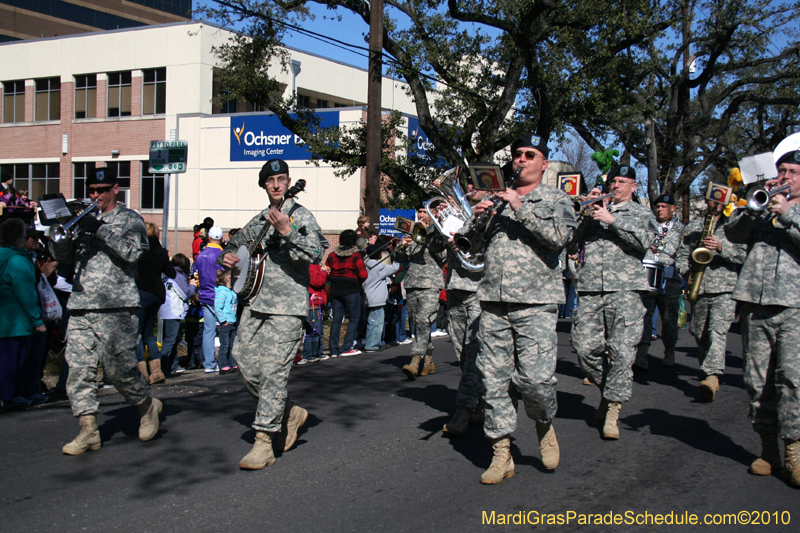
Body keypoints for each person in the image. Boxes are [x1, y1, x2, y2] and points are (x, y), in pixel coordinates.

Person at [458, 136, 576, 484]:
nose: (520, 160)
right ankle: (501, 453)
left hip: (536, 302)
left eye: (529, 155)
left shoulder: (557, 198)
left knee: (536, 381)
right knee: (493, 382)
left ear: (543, 164)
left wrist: (519, 207)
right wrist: (476, 217)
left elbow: (559, 238)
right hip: (493, 301)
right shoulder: (494, 200)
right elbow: (468, 245)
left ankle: (544, 425)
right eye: (517, 156)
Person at [220, 158, 324, 470]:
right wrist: (227, 258)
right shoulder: (257, 221)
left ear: (288, 181)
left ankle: (264, 440)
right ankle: (289, 412)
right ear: (264, 185)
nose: (276, 185)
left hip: (288, 308)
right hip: (254, 303)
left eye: (281, 179)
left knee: (274, 373)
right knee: (245, 362)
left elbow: (318, 252)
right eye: (270, 180)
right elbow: (236, 249)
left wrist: (287, 231)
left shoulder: (300, 215)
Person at [49, 167, 161, 455]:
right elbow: (63, 257)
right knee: (79, 370)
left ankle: (147, 405)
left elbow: (133, 253)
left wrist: (98, 229)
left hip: (117, 305)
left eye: (102, 189)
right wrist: (59, 235)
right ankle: (88, 430)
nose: (96, 195)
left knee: (119, 370)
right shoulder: (83, 220)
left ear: (115, 189)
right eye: (92, 190)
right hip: (82, 303)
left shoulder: (129, 219)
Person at [724, 146, 800, 486]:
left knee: (793, 381)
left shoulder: (788, 213)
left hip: (795, 306)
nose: (784, 177)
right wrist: (753, 210)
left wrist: (787, 215)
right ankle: (767, 448)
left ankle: (794, 451)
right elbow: (733, 234)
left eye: (793, 173)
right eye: (782, 171)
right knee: (757, 381)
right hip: (756, 304)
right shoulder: (765, 205)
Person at [567, 165, 658, 441]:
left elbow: (647, 242)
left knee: (621, 352)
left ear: (634, 186)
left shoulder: (642, 213)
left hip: (626, 290)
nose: (615, 186)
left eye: (622, 182)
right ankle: (609, 391)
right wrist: (584, 212)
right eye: (613, 181)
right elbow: (569, 243)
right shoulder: (594, 209)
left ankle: (612, 411)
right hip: (591, 287)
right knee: (583, 348)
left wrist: (613, 220)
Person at [675, 198, 745, 401]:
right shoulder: (695, 226)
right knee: (699, 332)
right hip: (699, 286)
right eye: (712, 199)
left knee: (717, 330)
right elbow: (681, 254)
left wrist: (722, 248)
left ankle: (712, 375)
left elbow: (743, 256)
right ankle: (709, 371)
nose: (715, 203)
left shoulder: (734, 225)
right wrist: (686, 271)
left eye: (720, 200)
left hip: (724, 288)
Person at [441, 180, 488, 438]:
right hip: (455, 286)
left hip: (480, 287)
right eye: (467, 182)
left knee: (474, 350)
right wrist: (441, 232)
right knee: (461, 350)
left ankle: (464, 408)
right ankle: (480, 399)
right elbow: (436, 250)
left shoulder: (492, 212)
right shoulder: (454, 212)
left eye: (476, 183)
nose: (470, 186)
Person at [634, 194, 686, 370]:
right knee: (645, 315)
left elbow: (683, 253)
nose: (660, 209)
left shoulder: (680, 229)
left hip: (670, 278)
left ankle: (669, 350)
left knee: (669, 318)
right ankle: (642, 353)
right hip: (648, 274)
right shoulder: (649, 224)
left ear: (673, 208)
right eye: (658, 206)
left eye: (664, 206)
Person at [0, 218, 46, 409]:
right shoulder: (18, 260)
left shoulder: (4, 255)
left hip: (5, 319)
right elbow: (26, 293)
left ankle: (7, 395)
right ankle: (10, 396)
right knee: (14, 361)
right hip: (16, 321)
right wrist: (37, 319)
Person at [400, 207, 446, 380]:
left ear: (433, 214)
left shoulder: (438, 232)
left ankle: (415, 359)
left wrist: (426, 236)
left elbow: (442, 254)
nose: (421, 215)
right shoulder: (412, 232)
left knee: (423, 321)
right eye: (419, 212)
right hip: (412, 283)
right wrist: (402, 247)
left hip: (430, 284)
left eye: (425, 212)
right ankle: (428, 361)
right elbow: (400, 260)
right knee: (418, 324)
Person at [135, 223, 176, 384]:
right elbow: (171, 272)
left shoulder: (139, 251)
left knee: (137, 333)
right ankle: (156, 370)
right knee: (148, 332)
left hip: (141, 292)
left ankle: (142, 371)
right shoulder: (161, 252)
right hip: (157, 294)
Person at [326, 229, 367, 357]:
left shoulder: (332, 255)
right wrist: (356, 280)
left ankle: (333, 349)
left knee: (337, 319)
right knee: (354, 318)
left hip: (335, 288)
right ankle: (347, 346)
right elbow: (363, 274)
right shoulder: (356, 256)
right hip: (351, 288)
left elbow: (327, 270)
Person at [159, 253, 197, 376]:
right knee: (170, 340)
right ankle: (163, 368)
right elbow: (186, 293)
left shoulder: (167, 275)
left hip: (166, 309)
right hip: (173, 311)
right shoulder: (179, 276)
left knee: (173, 339)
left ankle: (172, 365)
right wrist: (192, 285)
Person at [195, 225, 225, 373]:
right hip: (219, 296)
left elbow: (195, 274)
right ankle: (227, 361)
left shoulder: (201, 254)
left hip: (204, 295)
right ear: (222, 238)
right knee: (226, 329)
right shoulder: (221, 255)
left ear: (208, 237)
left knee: (208, 331)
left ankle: (209, 364)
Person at [362, 244, 401, 352]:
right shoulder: (378, 266)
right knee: (376, 322)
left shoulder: (366, 264)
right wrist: (398, 255)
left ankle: (372, 342)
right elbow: (395, 268)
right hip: (376, 297)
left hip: (369, 294)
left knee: (372, 320)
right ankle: (372, 345)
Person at [299, 263, 329, 364]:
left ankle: (317, 353)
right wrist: (324, 272)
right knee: (312, 330)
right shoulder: (311, 266)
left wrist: (324, 273)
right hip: (313, 304)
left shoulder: (316, 266)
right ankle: (309, 354)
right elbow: (316, 282)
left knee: (318, 330)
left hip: (318, 303)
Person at [214, 269, 238, 374]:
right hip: (225, 323)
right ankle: (223, 365)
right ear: (228, 279)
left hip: (232, 322)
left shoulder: (232, 292)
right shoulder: (222, 292)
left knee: (232, 344)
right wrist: (223, 321)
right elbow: (218, 307)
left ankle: (232, 363)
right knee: (225, 345)